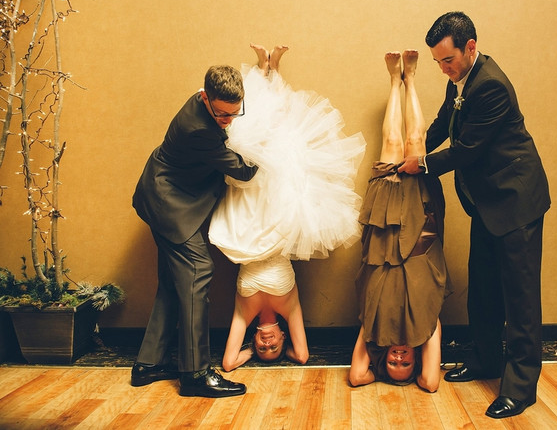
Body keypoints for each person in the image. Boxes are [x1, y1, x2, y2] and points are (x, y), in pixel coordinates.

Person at [398, 11, 550, 418]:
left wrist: (424, 165)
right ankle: (485, 360)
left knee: (519, 298)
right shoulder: (461, 80)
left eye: (448, 60)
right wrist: (412, 148)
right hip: (486, 201)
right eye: (438, 63)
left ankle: (520, 388)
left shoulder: (492, 86)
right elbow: (445, 122)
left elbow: (467, 149)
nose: (444, 69)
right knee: (483, 287)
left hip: (516, 201)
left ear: (470, 47)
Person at [208, 44, 366, 370]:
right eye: (273, 348)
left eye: (261, 347)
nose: (267, 345)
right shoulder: (288, 307)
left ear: (254, 338)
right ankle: (273, 69)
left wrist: (247, 354)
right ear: (281, 336)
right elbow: (304, 356)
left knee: (249, 149)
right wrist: (291, 353)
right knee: (283, 148)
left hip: (248, 227)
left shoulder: (245, 311)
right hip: (278, 224)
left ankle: (261, 69)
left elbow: (227, 362)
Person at [130, 65, 258, 398]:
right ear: (205, 98)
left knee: (175, 284)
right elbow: (242, 171)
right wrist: (272, 158)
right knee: (198, 271)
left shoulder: (205, 107)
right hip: (168, 203)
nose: (227, 121)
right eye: (221, 114)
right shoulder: (197, 129)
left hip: (162, 194)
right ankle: (196, 374)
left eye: (233, 114)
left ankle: (148, 364)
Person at [349, 50, 451, 393]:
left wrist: (373, 349)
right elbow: (431, 383)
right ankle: (411, 80)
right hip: (421, 233)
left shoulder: (373, 328)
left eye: (392, 363)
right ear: (415, 359)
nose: (398, 357)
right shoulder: (426, 324)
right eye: (405, 363)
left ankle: (395, 81)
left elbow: (357, 376)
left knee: (392, 142)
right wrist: (424, 346)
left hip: (382, 230)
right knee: (415, 144)